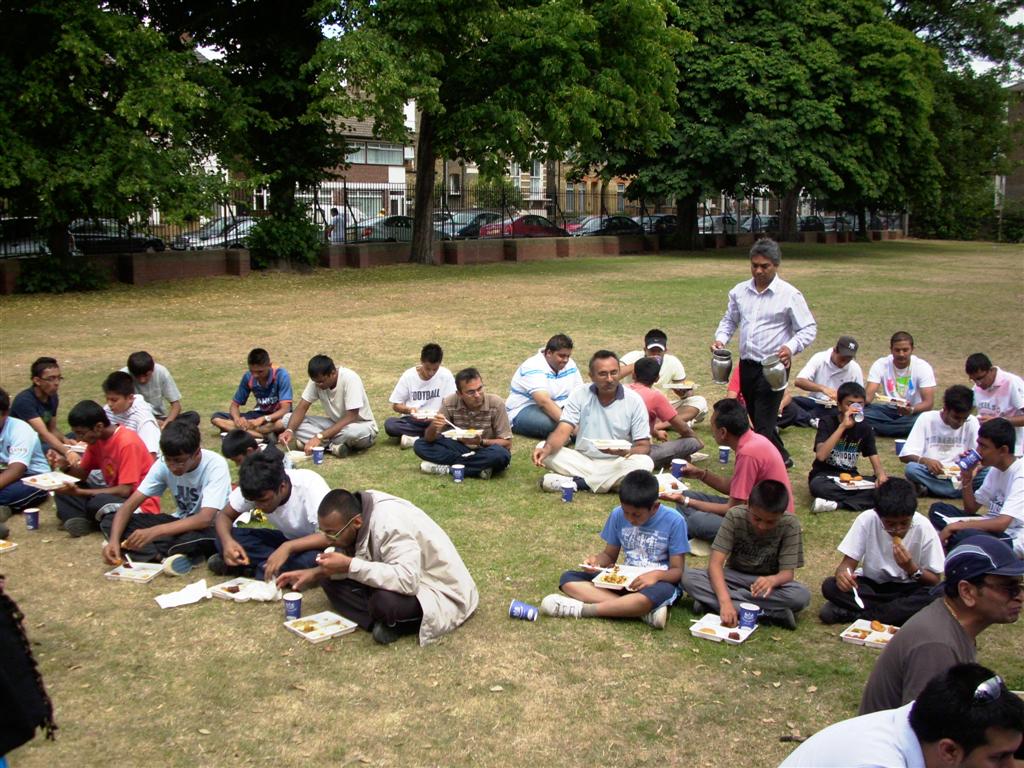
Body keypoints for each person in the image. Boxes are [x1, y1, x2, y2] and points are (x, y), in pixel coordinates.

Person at [276, 488, 479, 646]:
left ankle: (396, 622)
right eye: (324, 533)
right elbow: (359, 556)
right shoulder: (359, 514)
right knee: (328, 579)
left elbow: (408, 580)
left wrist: (349, 565)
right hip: (395, 573)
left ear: (356, 522)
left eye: (332, 534)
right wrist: (316, 573)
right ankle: (383, 621)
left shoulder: (389, 525)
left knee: (383, 602)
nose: (328, 540)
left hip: (436, 586)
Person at [859, 536, 1024, 715]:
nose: (1020, 596)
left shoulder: (950, 623)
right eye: (1009, 588)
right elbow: (928, 726)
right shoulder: (936, 645)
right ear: (967, 592)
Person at [781, 663, 1024, 768]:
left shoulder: (921, 726)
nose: (1012, 766)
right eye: (999, 758)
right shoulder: (875, 762)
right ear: (949, 751)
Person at [712, 238, 817, 467]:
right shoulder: (739, 291)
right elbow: (730, 320)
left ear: (776, 265)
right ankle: (782, 457)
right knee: (755, 415)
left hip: (774, 366)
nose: (758, 271)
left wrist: (790, 347)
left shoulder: (789, 294)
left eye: (764, 266)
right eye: (754, 265)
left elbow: (808, 328)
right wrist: (720, 339)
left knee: (763, 422)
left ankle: (761, 468)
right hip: (747, 365)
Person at [541, 469, 688, 630]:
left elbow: (677, 571)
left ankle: (584, 610)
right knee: (568, 579)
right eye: (626, 512)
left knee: (648, 597)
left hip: (657, 584)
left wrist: (656, 576)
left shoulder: (675, 521)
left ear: (654, 507)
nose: (630, 519)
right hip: (624, 582)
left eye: (636, 515)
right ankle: (639, 611)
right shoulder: (617, 515)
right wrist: (596, 562)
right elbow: (609, 555)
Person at [681, 480, 809, 630]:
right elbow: (715, 564)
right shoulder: (735, 516)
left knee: (800, 596)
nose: (762, 526)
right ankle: (769, 613)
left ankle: (714, 603)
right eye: (757, 519)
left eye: (770, 522)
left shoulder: (790, 524)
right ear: (748, 505)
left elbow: (787, 574)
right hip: (733, 577)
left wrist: (772, 580)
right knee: (687, 577)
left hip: (766, 586)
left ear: (781, 514)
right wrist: (725, 602)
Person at [100, 421, 229, 569]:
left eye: (179, 461)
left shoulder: (215, 465)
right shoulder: (162, 464)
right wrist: (114, 541)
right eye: (168, 460)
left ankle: (151, 551)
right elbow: (128, 506)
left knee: (188, 541)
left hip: (211, 526)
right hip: (179, 521)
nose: (172, 466)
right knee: (110, 521)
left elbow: (205, 519)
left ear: (196, 453)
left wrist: (155, 532)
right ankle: (158, 555)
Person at [663, 398, 794, 544]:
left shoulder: (748, 453)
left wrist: (686, 501)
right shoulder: (752, 440)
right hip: (752, 510)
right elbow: (735, 488)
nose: (712, 431)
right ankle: (691, 529)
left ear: (723, 432)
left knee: (696, 519)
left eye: (712, 426)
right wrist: (700, 474)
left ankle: (691, 529)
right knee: (686, 496)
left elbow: (733, 508)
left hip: (766, 524)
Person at [819, 477, 944, 626]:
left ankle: (857, 615)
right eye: (890, 524)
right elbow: (847, 564)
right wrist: (843, 576)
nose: (898, 529)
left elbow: (935, 580)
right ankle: (894, 614)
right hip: (873, 587)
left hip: (909, 588)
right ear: (878, 515)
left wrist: (911, 568)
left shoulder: (923, 527)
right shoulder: (867, 520)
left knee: (938, 594)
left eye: (904, 523)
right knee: (830, 586)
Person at [533, 350, 654, 494]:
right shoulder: (579, 394)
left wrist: (627, 452)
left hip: (619, 462)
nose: (609, 379)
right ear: (591, 376)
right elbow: (563, 430)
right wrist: (546, 449)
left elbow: (644, 446)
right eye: (603, 374)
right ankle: (611, 482)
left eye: (614, 373)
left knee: (645, 462)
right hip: (583, 459)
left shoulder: (634, 400)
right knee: (543, 447)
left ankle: (577, 483)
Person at [48, 400, 159, 537]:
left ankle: (87, 518)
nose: (79, 439)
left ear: (99, 427)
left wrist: (80, 492)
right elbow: (82, 475)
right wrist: (65, 467)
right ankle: (81, 520)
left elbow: (125, 490)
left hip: (137, 503)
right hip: (114, 497)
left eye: (81, 433)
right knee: (63, 485)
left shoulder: (127, 443)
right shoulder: (96, 441)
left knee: (98, 501)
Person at [212, 449, 329, 580]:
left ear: (282, 487)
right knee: (224, 538)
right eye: (254, 501)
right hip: (286, 540)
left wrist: (288, 547)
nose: (258, 506)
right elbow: (224, 516)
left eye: (264, 500)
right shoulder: (253, 485)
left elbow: (330, 536)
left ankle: (256, 567)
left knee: (314, 560)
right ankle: (271, 567)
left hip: (314, 544)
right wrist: (227, 542)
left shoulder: (309, 485)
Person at [928, 418, 1023, 555]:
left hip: (1012, 536)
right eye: (978, 444)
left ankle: (956, 542)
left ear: (1003, 450)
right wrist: (967, 477)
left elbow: (1001, 524)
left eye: (983, 446)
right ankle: (958, 542)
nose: (978, 451)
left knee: (962, 535)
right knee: (938, 509)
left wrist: (956, 527)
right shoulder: (995, 469)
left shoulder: (1020, 474)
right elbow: (971, 508)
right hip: (989, 525)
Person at [415, 367, 512, 480]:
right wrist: (434, 425)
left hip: (485, 449)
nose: (477, 395)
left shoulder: (496, 403)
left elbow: (507, 443)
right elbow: (430, 438)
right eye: (471, 392)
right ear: (459, 394)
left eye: (480, 389)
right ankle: (479, 468)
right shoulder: (449, 402)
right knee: (420, 444)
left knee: (501, 455)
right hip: (460, 448)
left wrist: (481, 441)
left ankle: (449, 469)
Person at [807, 382, 887, 514]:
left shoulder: (865, 428)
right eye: (849, 404)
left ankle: (836, 504)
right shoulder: (827, 422)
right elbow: (821, 456)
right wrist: (842, 427)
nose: (855, 408)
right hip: (825, 476)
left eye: (860, 404)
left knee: (886, 488)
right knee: (818, 487)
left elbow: (875, 459)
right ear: (839, 405)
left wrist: (881, 476)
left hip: (851, 478)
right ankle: (860, 500)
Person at [280, 354, 377, 458]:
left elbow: (352, 416)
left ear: (333, 373)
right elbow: (302, 407)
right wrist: (289, 431)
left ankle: (319, 444)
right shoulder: (316, 381)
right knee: (287, 419)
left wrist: (320, 436)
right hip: (335, 424)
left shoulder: (350, 378)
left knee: (350, 432)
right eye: (315, 382)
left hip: (360, 425)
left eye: (321, 382)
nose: (318, 385)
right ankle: (333, 447)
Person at [901, 385, 982, 498]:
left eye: (965, 419)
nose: (960, 423)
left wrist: (974, 470)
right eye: (956, 418)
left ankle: (932, 490)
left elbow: (980, 457)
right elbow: (905, 456)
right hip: (933, 473)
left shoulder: (972, 422)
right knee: (911, 469)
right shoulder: (926, 418)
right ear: (945, 409)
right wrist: (925, 461)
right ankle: (958, 491)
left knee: (989, 472)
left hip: (962, 474)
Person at [619, 328, 708, 426]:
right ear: (645, 350)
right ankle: (673, 423)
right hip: (635, 403)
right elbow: (614, 375)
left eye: (659, 351)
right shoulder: (633, 356)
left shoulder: (673, 362)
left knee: (699, 401)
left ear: (665, 350)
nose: (655, 354)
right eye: (652, 351)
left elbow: (687, 394)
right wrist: (640, 364)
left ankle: (657, 425)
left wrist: (683, 393)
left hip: (660, 406)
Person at [627, 356, 703, 469]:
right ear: (657, 378)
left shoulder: (622, 390)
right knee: (692, 442)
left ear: (633, 375)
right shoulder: (655, 396)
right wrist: (698, 441)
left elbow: (637, 424)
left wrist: (656, 433)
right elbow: (682, 428)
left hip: (615, 448)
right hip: (638, 453)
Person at [506, 334, 584, 439]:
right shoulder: (532, 366)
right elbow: (544, 402)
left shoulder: (570, 364)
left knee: (588, 417)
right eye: (561, 356)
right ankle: (573, 433)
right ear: (549, 353)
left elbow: (580, 392)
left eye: (568, 356)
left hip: (558, 406)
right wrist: (572, 426)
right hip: (525, 408)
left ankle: (572, 433)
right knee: (554, 425)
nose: (566, 360)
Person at [778, 335, 863, 429]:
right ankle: (811, 419)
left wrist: (842, 399)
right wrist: (823, 389)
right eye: (842, 359)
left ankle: (806, 418)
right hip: (814, 401)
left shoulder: (855, 368)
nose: (843, 363)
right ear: (835, 350)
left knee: (837, 413)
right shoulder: (820, 358)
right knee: (791, 403)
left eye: (848, 360)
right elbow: (799, 381)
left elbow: (861, 397)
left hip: (835, 407)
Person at [864, 331, 937, 438]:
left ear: (912, 349)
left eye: (905, 350)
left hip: (913, 411)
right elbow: (868, 398)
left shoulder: (923, 367)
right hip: (889, 409)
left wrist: (911, 410)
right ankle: (896, 429)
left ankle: (878, 428)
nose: (901, 354)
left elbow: (928, 403)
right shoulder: (881, 364)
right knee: (861, 413)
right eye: (897, 350)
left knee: (925, 419)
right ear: (891, 349)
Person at [210, 348, 292, 440]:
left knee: (284, 422)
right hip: (258, 414)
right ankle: (262, 435)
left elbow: (285, 409)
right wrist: (237, 420)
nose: (255, 375)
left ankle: (242, 431)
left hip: (276, 416)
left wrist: (262, 419)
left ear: (269, 365)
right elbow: (234, 405)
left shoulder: (281, 375)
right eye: (252, 371)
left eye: (260, 372)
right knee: (216, 418)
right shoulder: (248, 377)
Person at [384, 343, 456, 445]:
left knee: (452, 423)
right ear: (421, 361)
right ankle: (430, 436)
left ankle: (414, 438)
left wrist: (439, 415)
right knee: (391, 425)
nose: (431, 373)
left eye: (435, 369)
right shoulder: (409, 376)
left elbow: (451, 404)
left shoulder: (446, 375)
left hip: (437, 420)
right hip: (413, 420)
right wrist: (409, 410)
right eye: (427, 369)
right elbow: (396, 405)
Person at [10, 357, 77, 464]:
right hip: (23, 446)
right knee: (52, 450)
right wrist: (67, 451)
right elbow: (43, 433)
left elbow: (52, 429)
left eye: (59, 378)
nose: (56, 383)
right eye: (51, 379)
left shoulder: (53, 397)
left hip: (42, 441)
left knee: (77, 436)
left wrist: (65, 440)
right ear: (37, 381)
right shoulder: (24, 401)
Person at [0, 387, 50, 519]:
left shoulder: (20, 430)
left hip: (31, 476)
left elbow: (17, 470)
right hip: (4, 473)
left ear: (5, 413)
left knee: (9, 494)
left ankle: (5, 508)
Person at [967, 353, 1024, 458]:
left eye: (980, 378)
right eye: (973, 380)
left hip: (1013, 451)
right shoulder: (976, 388)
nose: (978, 384)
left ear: (991, 370)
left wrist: (998, 421)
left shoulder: (1012, 382)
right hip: (988, 451)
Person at [122, 351, 192, 428]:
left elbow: (176, 406)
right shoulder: (122, 376)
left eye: (146, 375)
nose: (142, 380)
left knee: (192, 416)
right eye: (137, 376)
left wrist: (164, 425)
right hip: (135, 419)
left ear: (153, 370)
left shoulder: (161, 372)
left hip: (159, 417)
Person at [102, 371, 161, 457]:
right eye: (107, 399)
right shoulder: (107, 410)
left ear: (130, 398)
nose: (109, 404)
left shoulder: (143, 419)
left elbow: (150, 456)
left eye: (114, 400)